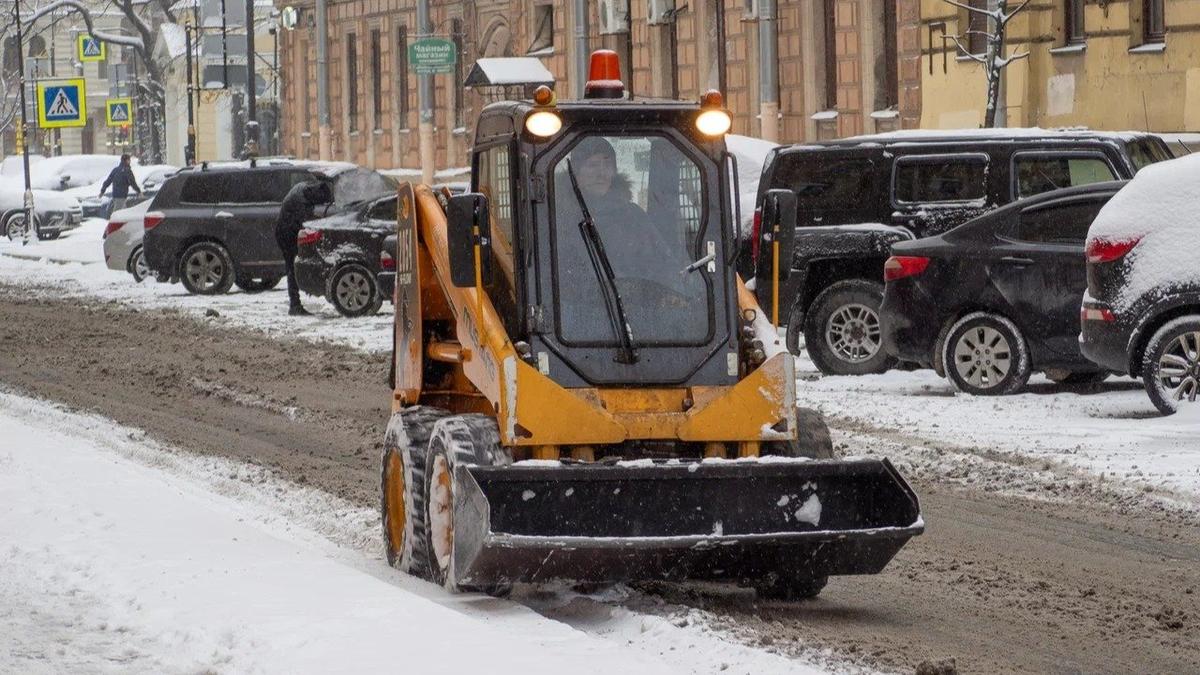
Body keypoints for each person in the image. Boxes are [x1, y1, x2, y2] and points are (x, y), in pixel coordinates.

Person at [275, 180, 333, 316]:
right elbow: (307, 223)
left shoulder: (304, 189)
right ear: (317, 195)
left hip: (286, 229)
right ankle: (294, 305)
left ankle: (295, 303)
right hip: (286, 234)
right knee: (292, 268)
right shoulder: (301, 202)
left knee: (293, 268)